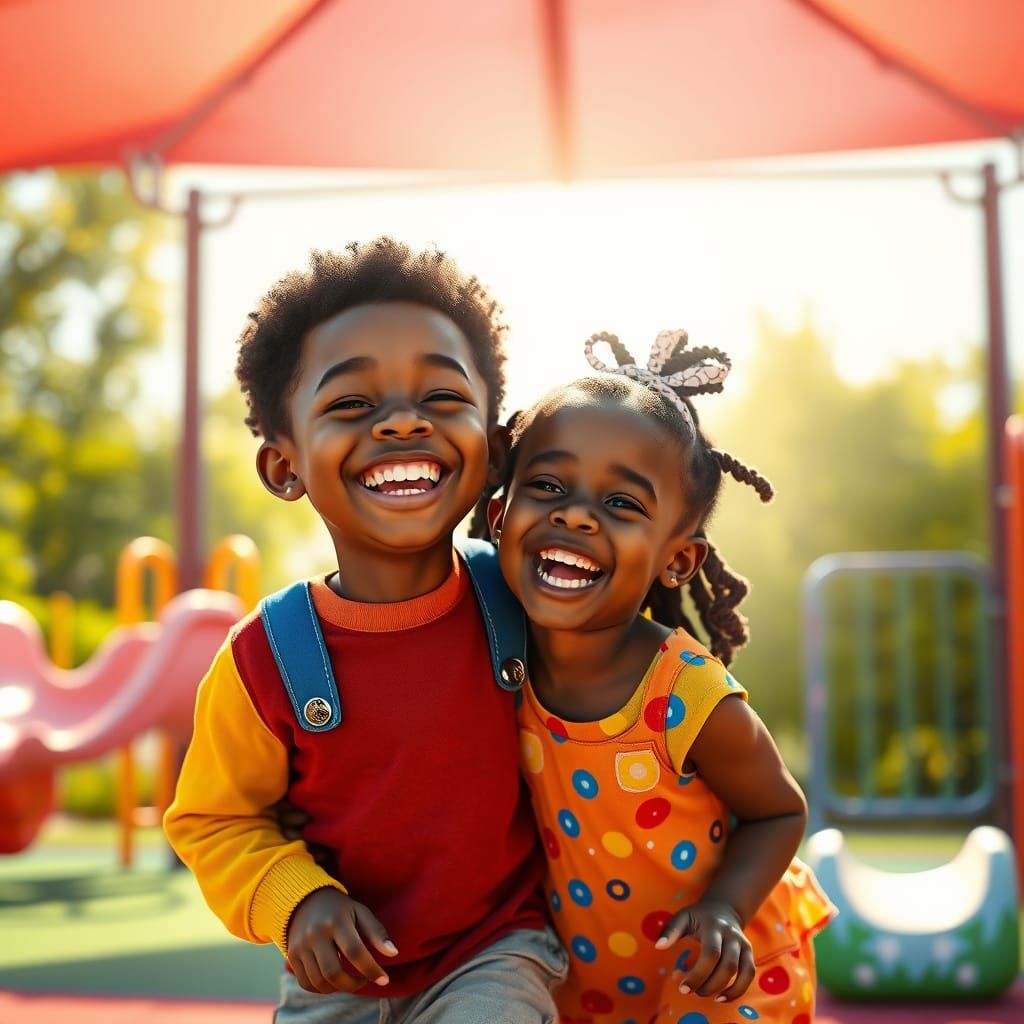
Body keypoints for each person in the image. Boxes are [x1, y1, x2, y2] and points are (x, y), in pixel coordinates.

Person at [163, 238, 567, 1022]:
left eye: (443, 399)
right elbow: (213, 820)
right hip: (335, 978)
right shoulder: (264, 660)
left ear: (492, 449)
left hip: (496, 950)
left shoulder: (526, 602)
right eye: (352, 405)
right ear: (285, 467)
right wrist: (297, 901)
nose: (402, 424)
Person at [479, 329, 835, 1023]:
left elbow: (779, 809)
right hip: (592, 968)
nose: (576, 513)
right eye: (548, 485)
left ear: (678, 561)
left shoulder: (686, 692)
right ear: (499, 516)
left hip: (723, 965)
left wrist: (726, 910)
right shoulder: (493, 657)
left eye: (622, 504)